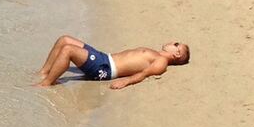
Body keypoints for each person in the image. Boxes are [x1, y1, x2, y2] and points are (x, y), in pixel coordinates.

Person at [35, 35, 190, 89]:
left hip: (106, 69)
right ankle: (43, 73)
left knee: (68, 49)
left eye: (177, 44)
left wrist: (126, 81)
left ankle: (46, 83)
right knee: (64, 40)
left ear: (176, 54)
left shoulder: (161, 61)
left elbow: (145, 73)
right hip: (105, 58)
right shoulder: (156, 54)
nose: (173, 42)